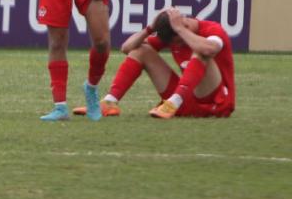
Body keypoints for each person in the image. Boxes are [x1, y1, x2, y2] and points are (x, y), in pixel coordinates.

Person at [73, 7, 236, 119]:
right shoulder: (173, 35)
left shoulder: (212, 29)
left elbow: (210, 49)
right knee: (141, 50)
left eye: (177, 41)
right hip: (187, 99)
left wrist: (181, 30)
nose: (178, 45)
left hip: (215, 103)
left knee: (201, 50)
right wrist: (149, 28)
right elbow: (126, 48)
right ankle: (110, 102)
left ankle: (173, 103)